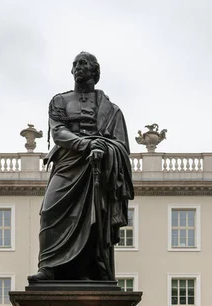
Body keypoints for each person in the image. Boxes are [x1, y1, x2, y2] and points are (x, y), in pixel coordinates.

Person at [28, 52, 134, 282]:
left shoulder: (112, 110)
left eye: (83, 63)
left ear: (95, 71)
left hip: (97, 166)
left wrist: (104, 149)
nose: (78, 67)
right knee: (49, 210)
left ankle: (88, 271)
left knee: (93, 217)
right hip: (68, 163)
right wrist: (86, 144)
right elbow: (58, 132)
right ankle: (48, 267)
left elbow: (121, 145)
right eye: (75, 64)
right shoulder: (60, 101)